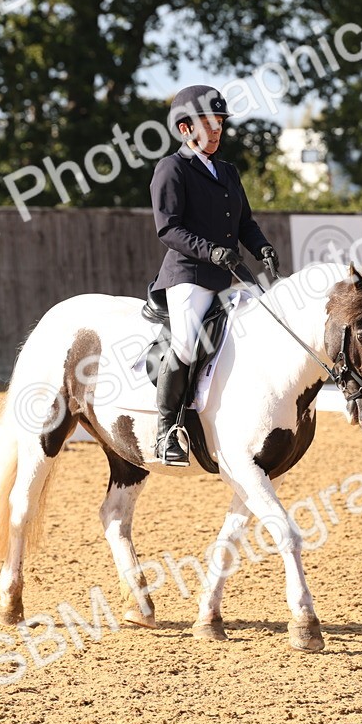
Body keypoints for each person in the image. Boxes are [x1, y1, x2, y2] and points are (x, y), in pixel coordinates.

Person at [148, 84, 280, 466]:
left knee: (267, 324)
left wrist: (262, 248)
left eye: (220, 121)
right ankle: (167, 430)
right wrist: (211, 251)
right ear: (186, 128)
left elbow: (245, 223)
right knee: (186, 345)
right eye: (209, 122)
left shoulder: (227, 171)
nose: (218, 129)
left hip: (228, 274)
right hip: (188, 275)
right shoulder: (171, 168)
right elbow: (168, 229)